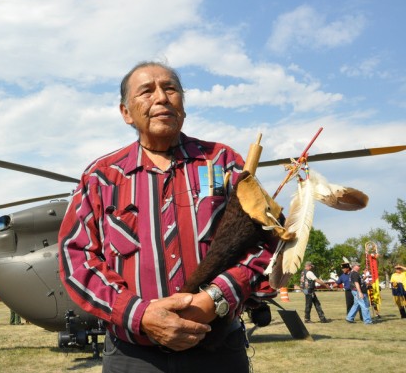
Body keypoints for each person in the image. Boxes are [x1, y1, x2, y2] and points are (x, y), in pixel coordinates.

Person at [58, 61, 279, 372]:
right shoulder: (101, 177)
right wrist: (139, 314)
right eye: (146, 91)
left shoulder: (222, 162)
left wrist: (217, 297)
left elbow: (264, 238)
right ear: (125, 113)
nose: (161, 97)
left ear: (183, 107)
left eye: (170, 89)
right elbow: (76, 259)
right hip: (132, 357)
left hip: (218, 352)